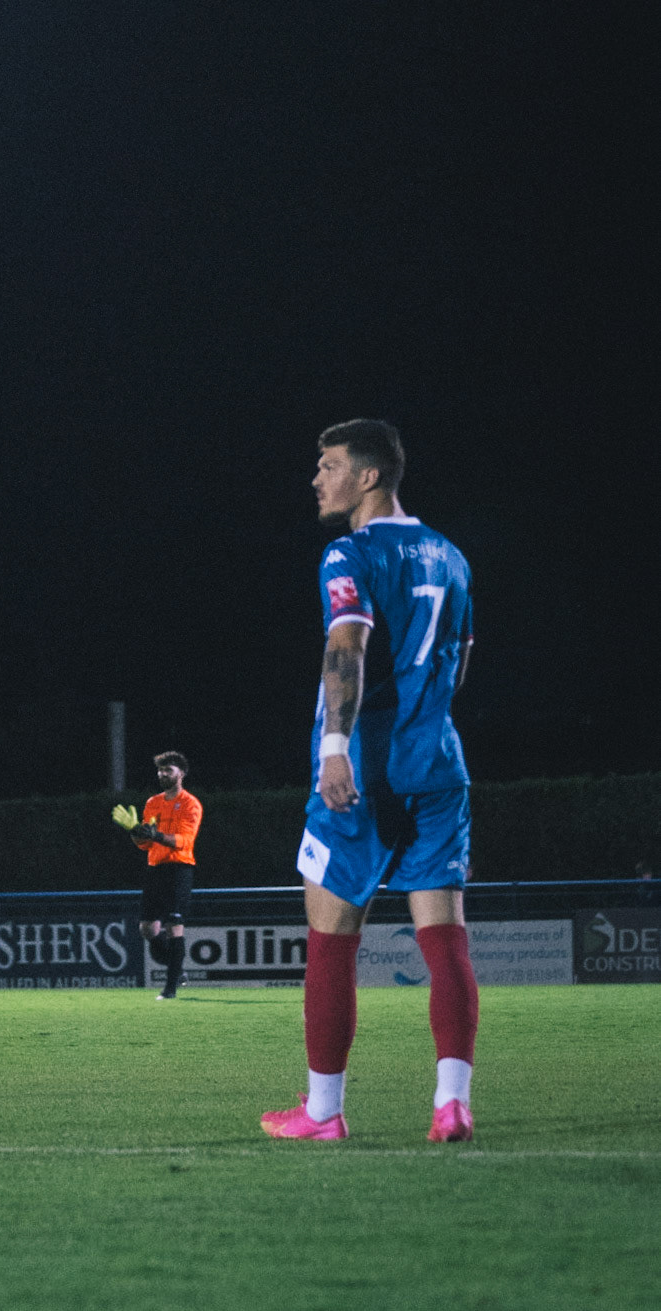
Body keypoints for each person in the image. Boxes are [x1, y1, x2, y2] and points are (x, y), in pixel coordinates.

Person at [261, 420, 479, 1143]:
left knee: (332, 938)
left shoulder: (349, 552)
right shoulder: (451, 555)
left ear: (368, 476)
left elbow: (346, 646)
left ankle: (324, 1111)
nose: (316, 479)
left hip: (364, 770)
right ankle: (451, 1103)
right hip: (438, 764)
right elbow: (460, 660)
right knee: (444, 938)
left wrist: (336, 749)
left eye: (328, 466)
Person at [112, 752, 203, 999]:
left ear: (181, 773)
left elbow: (185, 841)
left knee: (174, 925)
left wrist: (156, 835)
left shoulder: (190, 804)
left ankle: (170, 989)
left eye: (168, 770)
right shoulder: (153, 802)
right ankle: (178, 968)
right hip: (156, 868)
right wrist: (135, 831)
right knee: (147, 929)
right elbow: (144, 844)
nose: (162, 774)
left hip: (179, 869)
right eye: (160, 770)